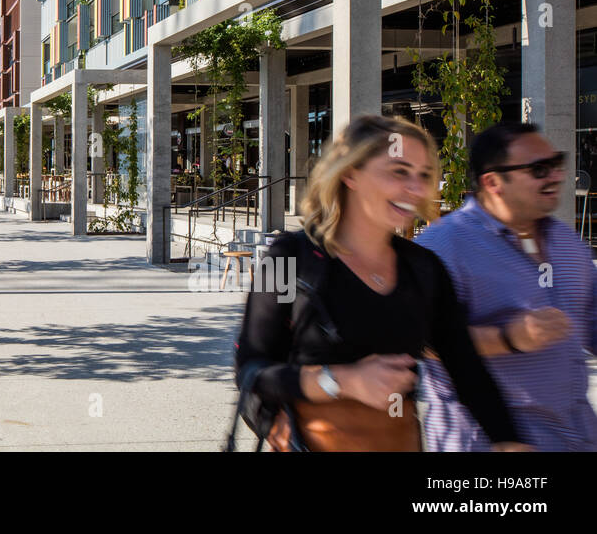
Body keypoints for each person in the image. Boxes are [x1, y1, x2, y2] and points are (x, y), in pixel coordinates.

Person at [234, 114, 523, 451]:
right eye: (399, 171)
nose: (416, 189)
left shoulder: (424, 268)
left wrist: (509, 441)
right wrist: (342, 381)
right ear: (351, 173)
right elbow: (252, 369)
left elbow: (468, 369)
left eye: (424, 175)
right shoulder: (289, 256)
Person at [417, 122, 597, 451]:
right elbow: (419, 338)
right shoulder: (443, 246)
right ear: (493, 182)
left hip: (577, 436)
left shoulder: (567, 242)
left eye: (557, 164)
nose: (556, 176)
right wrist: (507, 338)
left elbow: (591, 318)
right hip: (489, 444)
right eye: (539, 169)